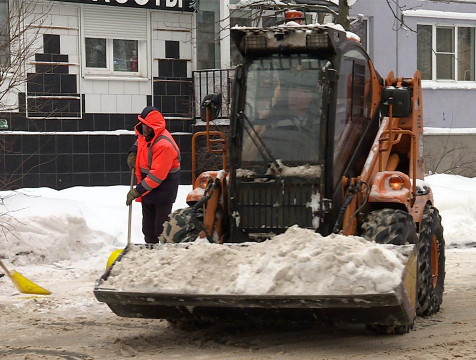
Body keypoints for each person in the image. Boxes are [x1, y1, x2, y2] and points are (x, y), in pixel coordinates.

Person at [126, 106, 181, 244]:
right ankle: (150, 250)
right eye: (143, 125)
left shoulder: (164, 145)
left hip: (164, 188)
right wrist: (133, 152)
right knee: (148, 228)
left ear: (154, 127)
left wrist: (137, 191)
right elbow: (140, 141)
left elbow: (157, 176)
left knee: (160, 228)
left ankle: (163, 255)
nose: (145, 128)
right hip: (148, 187)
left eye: (148, 126)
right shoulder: (145, 134)